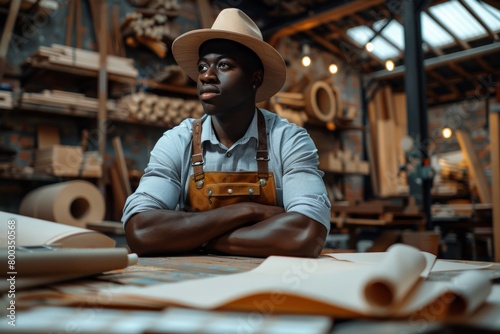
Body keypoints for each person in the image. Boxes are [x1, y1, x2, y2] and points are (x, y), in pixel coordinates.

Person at [123, 8, 331, 258]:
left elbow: (306, 234)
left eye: (223, 65)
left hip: (269, 287)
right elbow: (142, 232)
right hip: (191, 288)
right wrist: (247, 211)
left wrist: (194, 237)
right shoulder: (177, 141)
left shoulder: (289, 141)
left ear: (255, 78)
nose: (207, 76)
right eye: (202, 66)